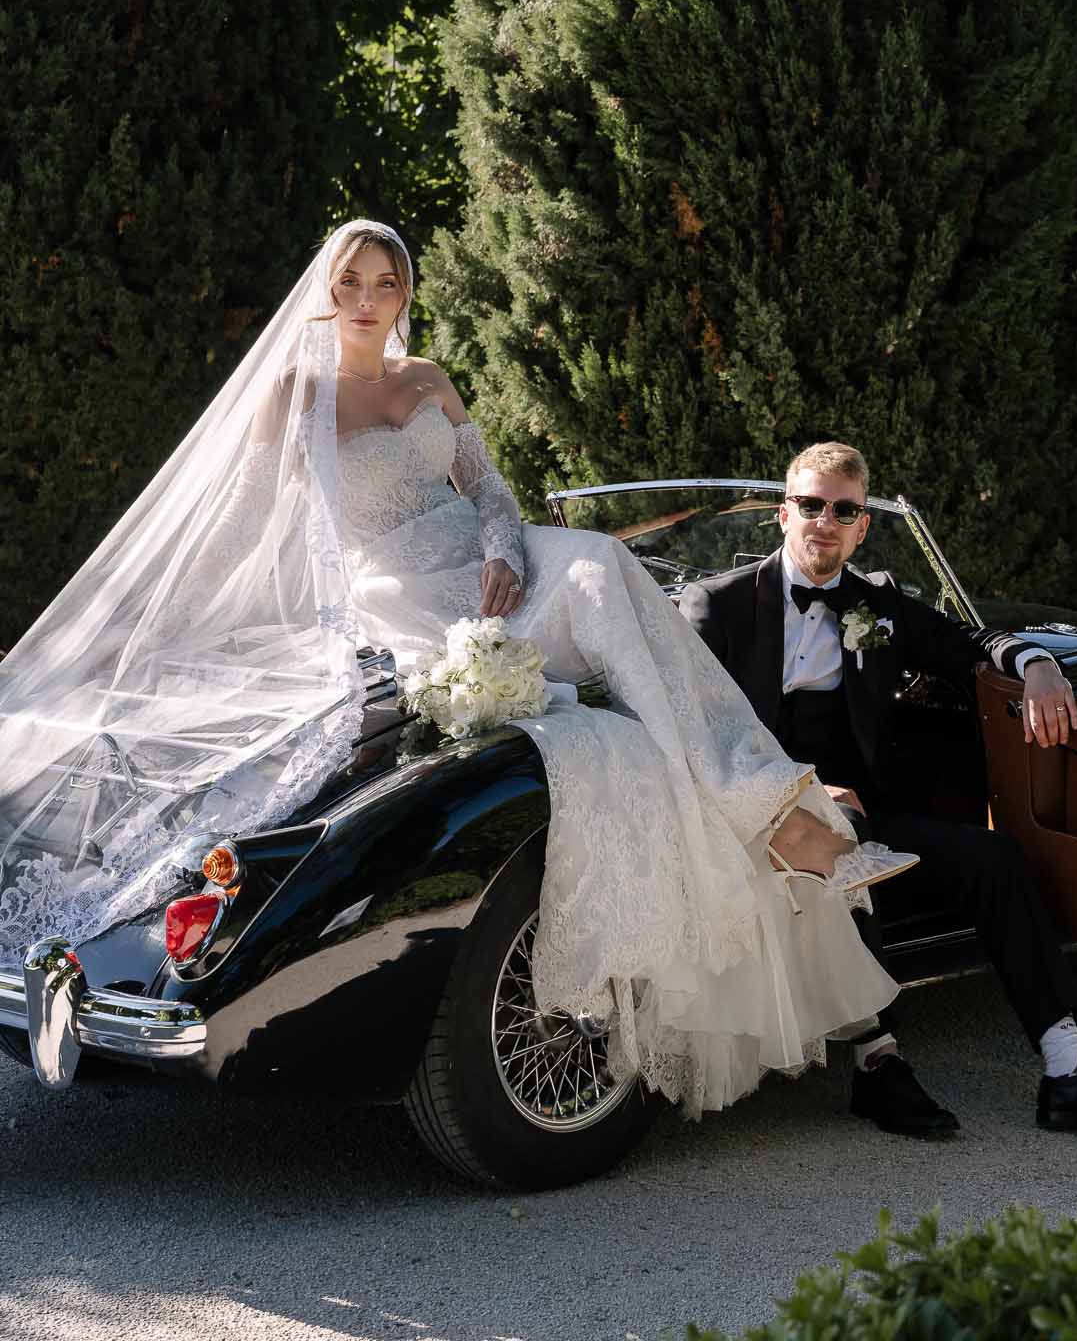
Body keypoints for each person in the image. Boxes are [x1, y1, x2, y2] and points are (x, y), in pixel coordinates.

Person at [0, 222, 913, 1122]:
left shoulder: (430, 378)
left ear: (405, 293)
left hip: (487, 571)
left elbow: (489, 490)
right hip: (394, 593)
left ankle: (763, 801)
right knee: (604, 587)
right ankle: (772, 813)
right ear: (326, 290)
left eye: (386, 284)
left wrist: (503, 545)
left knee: (598, 561)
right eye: (350, 282)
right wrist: (189, 624)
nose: (366, 301)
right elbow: (245, 527)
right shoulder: (294, 394)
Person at [679, 440, 1077, 1140]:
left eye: (843, 510)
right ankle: (877, 1064)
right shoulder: (717, 605)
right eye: (809, 505)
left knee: (994, 859)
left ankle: (1069, 1070)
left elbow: (968, 642)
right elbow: (692, 735)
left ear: (862, 525)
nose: (823, 521)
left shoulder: (878, 605)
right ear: (782, 514)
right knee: (843, 840)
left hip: (868, 813)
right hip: (755, 821)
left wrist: (1038, 665)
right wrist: (795, 790)